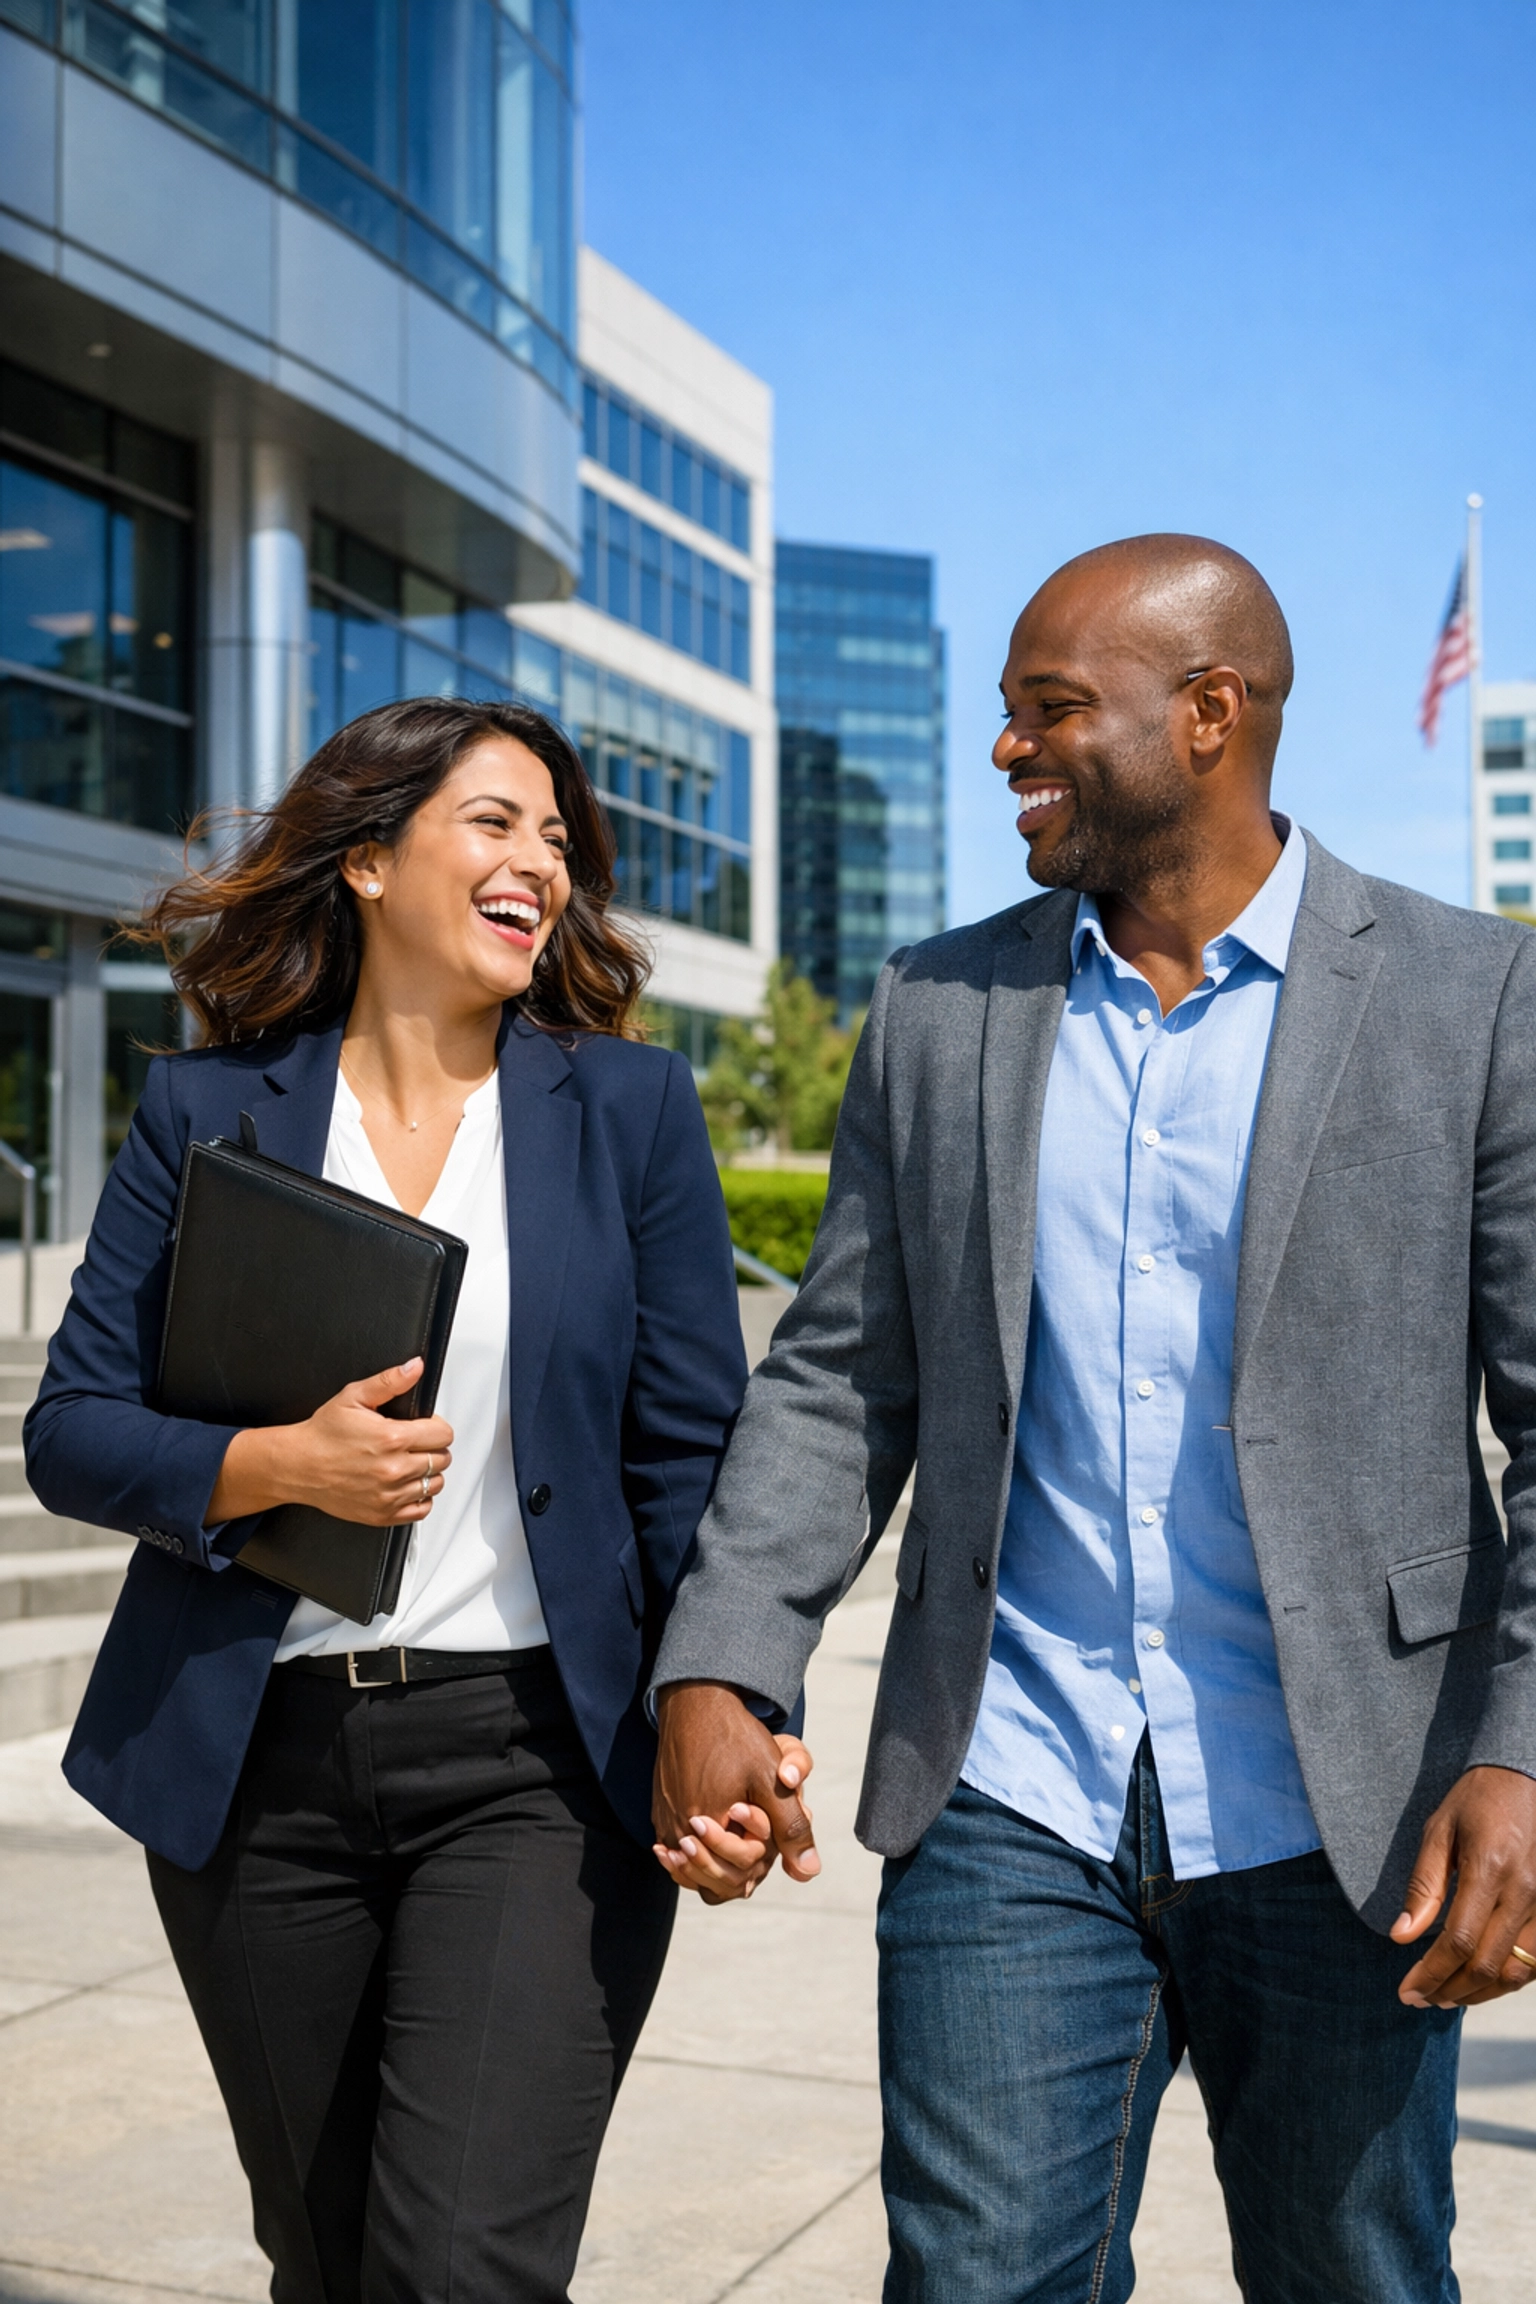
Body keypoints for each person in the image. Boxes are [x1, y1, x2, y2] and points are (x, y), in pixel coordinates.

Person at [649, 535, 1536, 2302]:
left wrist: (1523, 1746)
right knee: (976, 2281)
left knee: (1355, 2275)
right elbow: (839, 1376)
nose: (1007, 753)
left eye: (1050, 712)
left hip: (1348, 1806)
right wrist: (722, 1661)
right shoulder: (933, 1006)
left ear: (1209, 716)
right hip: (1009, 1787)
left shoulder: (1477, 998)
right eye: (1004, 715)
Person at [25, 695, 799, 2304]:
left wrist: (730, 1699)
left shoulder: (628, 1114)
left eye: (560, 843)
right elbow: (76, 1429)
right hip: (255, 1778)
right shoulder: (206, 1113)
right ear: (371, 861)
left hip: (533, 1769)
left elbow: (689, 1457)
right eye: (499, 824)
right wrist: (267, 1469)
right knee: (328, 2265)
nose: (544, 862)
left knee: (462, 2274)